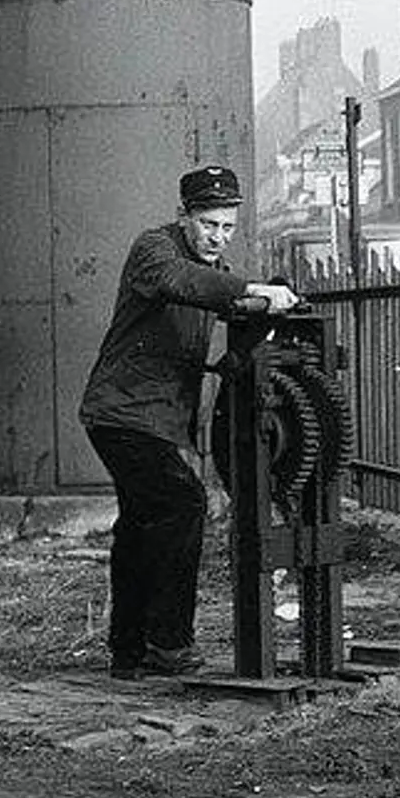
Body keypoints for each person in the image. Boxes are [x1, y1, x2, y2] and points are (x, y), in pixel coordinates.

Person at [79, 165, 299, 680]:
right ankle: (169, 643)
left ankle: (127, 653)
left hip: (151, 419)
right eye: (208, 225)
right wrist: (252, 288)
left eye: (226, 227)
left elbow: (230, 302)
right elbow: (187, 283)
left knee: (140, 528)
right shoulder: (155, 251)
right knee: (183, 504)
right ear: (184, 216)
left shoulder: (214, 265)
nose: (217, 237)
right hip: (121, 412)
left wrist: (266, 312)